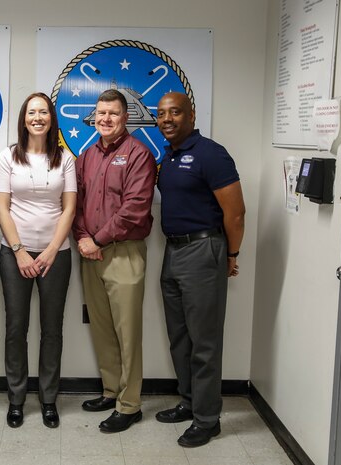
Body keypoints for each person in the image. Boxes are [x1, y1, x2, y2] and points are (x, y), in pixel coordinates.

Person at [155, 92, 245, 447]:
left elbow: (235, 212)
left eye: (175, 112)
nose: (167, 119)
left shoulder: (211, 153)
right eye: (161, 113)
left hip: (203, 249)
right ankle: (189, 402)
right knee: (180, 336)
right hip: (173, 251)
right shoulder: (170, 156)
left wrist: (231, 253)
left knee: (204, 341)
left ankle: (208, 419)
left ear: (191, 115)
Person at [72, 89, 157, 433]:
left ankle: (130, 403)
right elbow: (75, 202)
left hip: (123, 252)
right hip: (89, 253)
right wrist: (81, 237)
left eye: (113, 114)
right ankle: (110, 391)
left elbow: (135, 209)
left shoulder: (139, 155)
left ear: (126, 118)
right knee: (103, 327)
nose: (105, 119)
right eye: (100, 113)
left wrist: (98, 240)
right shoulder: (87, 155)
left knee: (127, 331)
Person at [0, 93, 77, 429]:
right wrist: (19, 251)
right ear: (24, 118)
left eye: (43, 112)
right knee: (16, 328)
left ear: (51, 118)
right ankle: (16, 399)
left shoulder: (65, 159)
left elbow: (69, 207)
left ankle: (47, 399)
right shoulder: (8, 156)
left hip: (56, 255)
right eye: (32, 112)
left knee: (51, 330)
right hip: (14, 254)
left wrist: (49, 251)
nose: (38, 117)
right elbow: (2, 206)